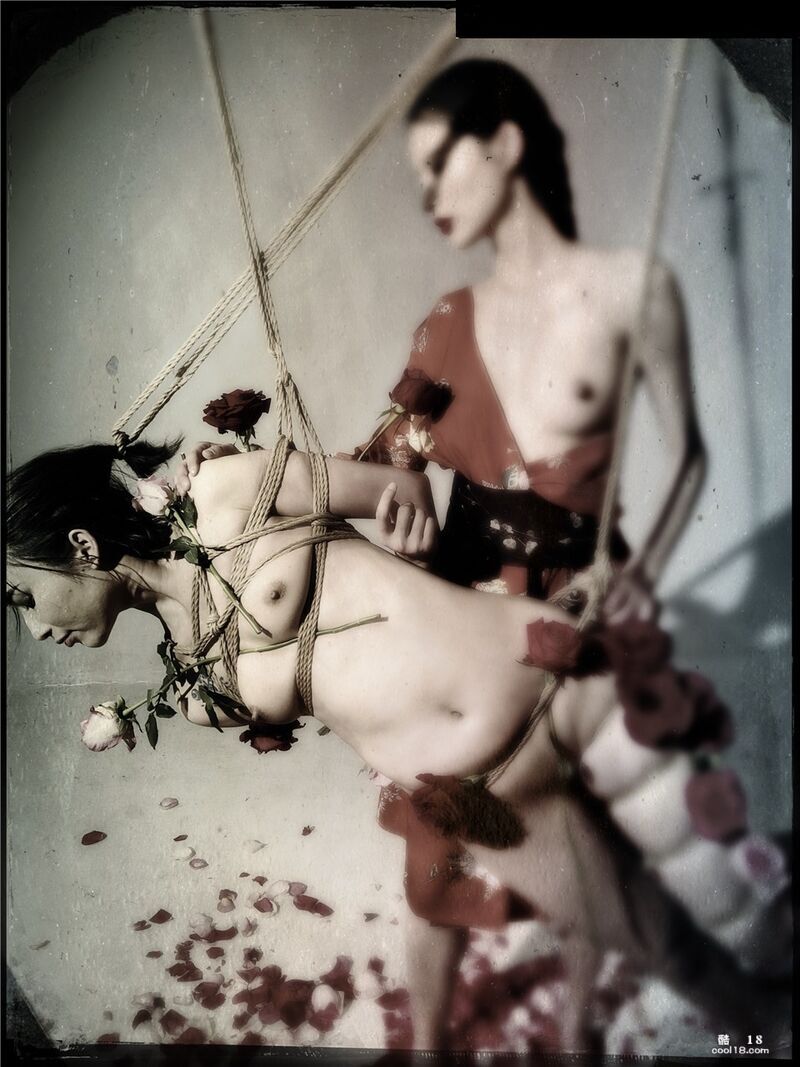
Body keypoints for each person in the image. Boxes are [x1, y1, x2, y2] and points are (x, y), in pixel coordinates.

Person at [179, 59, 707, 1048]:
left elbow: (687, 459)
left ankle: (577, 1031)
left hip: (576, 598)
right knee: (435, 857)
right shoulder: (450, 323)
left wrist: (633, 574)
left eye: (439, 166)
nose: (426, 194)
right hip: (456, 602)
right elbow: (386, 463)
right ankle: (427, 1044)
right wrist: (248, 473)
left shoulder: (632, 291)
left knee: (584, 841)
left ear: (504, 146)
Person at [6, 440, 789, 1053]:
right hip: (489, 790)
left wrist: (407, 543)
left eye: (24, 598)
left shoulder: (222, 489)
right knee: (670, 949)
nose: (37, 630)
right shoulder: (187, 686)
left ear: (80, 544)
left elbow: (404, 493)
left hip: (543, 670)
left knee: (737, 897)